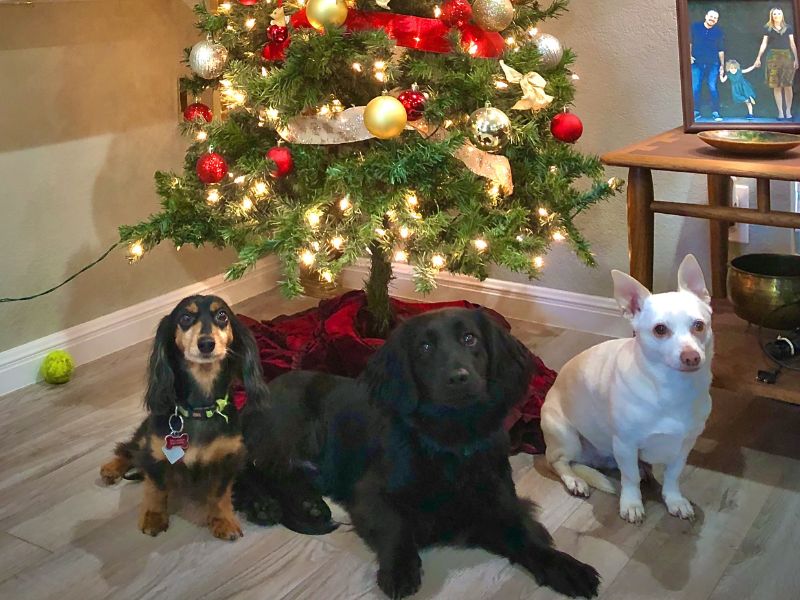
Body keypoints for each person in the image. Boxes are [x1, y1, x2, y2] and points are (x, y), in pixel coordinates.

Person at [753, 7, 799, 120]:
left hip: (786, 56)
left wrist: (796, 59)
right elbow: (764, 44)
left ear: (782, 15)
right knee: (776, 85)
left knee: (788, 85)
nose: (777, 15)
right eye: (774, 14)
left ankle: (788, 111)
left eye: (779, 13)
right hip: (773, 57)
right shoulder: (768, 28)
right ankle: (780, 112)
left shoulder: (788, 28)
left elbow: (792, 43)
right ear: (771, 16)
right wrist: (758, 58)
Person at [690, 9, 726, 121]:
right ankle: (696, 111)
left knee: (712, 87)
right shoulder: (695, 27)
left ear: (717, 20)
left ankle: (715, 112)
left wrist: (722, 65)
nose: (712, 19)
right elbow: (689, 42)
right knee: (695, 87)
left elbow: (721, 49)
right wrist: (688, 55)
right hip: (696, 62)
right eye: (711, 16)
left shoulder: (718, 31)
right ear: (706, 16)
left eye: (715, 18)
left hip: (713, 63)